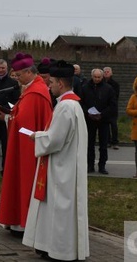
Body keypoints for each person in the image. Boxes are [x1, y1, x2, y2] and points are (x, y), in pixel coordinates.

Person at [23, 60, 89, 261]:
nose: (48, 86)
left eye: (51, 82)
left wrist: (37, 136)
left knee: (60, 211)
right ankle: (49, 246)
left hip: (61, 168)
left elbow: (55, 140)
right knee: (54, 208)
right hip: (65, 165)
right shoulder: (72, 104)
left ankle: (60, 251)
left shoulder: (65, 107)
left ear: (60, 83)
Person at [0, 53, 53, 237]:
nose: (17, 79)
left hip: (28, 150)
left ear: (29, 72)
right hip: (22, 145)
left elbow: (24, 123)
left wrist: (7, 117)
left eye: (19, 75)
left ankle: (24, 223)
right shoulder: (30, 89)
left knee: (25, 181)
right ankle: (16, 221)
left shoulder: (36, 92)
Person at [80, 68, 117, 174]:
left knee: (103, 144)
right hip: (89, 119)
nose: (97, 79)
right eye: (95, 77)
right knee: (89, 144)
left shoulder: (108, 88)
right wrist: (87, 112)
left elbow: (112, 105)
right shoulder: (85, 87)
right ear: (92, 76)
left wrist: (102, 114)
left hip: (103, 120)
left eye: (99, 77)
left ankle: (102, 166)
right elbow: (81, 102)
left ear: (102, 77)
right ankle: (90, 165)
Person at [103, 66, 121, 149]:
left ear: (111, 73)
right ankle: (107, 141)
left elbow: (116, 96)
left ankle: (115, 142)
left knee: (113, 125)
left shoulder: (115, 84)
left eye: (108, 71)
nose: (106, 73)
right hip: (103, 107)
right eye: (105, 71)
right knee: (105, 125)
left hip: (113, 107)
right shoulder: (101, 83)